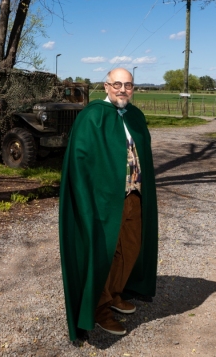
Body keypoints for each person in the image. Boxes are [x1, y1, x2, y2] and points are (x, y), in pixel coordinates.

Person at [59, 67, 158, 340]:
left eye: (128, 85)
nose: (123, 90)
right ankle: (99, 308)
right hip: (103, 201)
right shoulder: (92, 117)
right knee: (101, 253)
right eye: (117, 84)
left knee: (130, 248)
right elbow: (79, 163)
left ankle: (114, 294)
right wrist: (84, 202)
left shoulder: (136, 117)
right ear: (106, 86)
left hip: (134, 196)